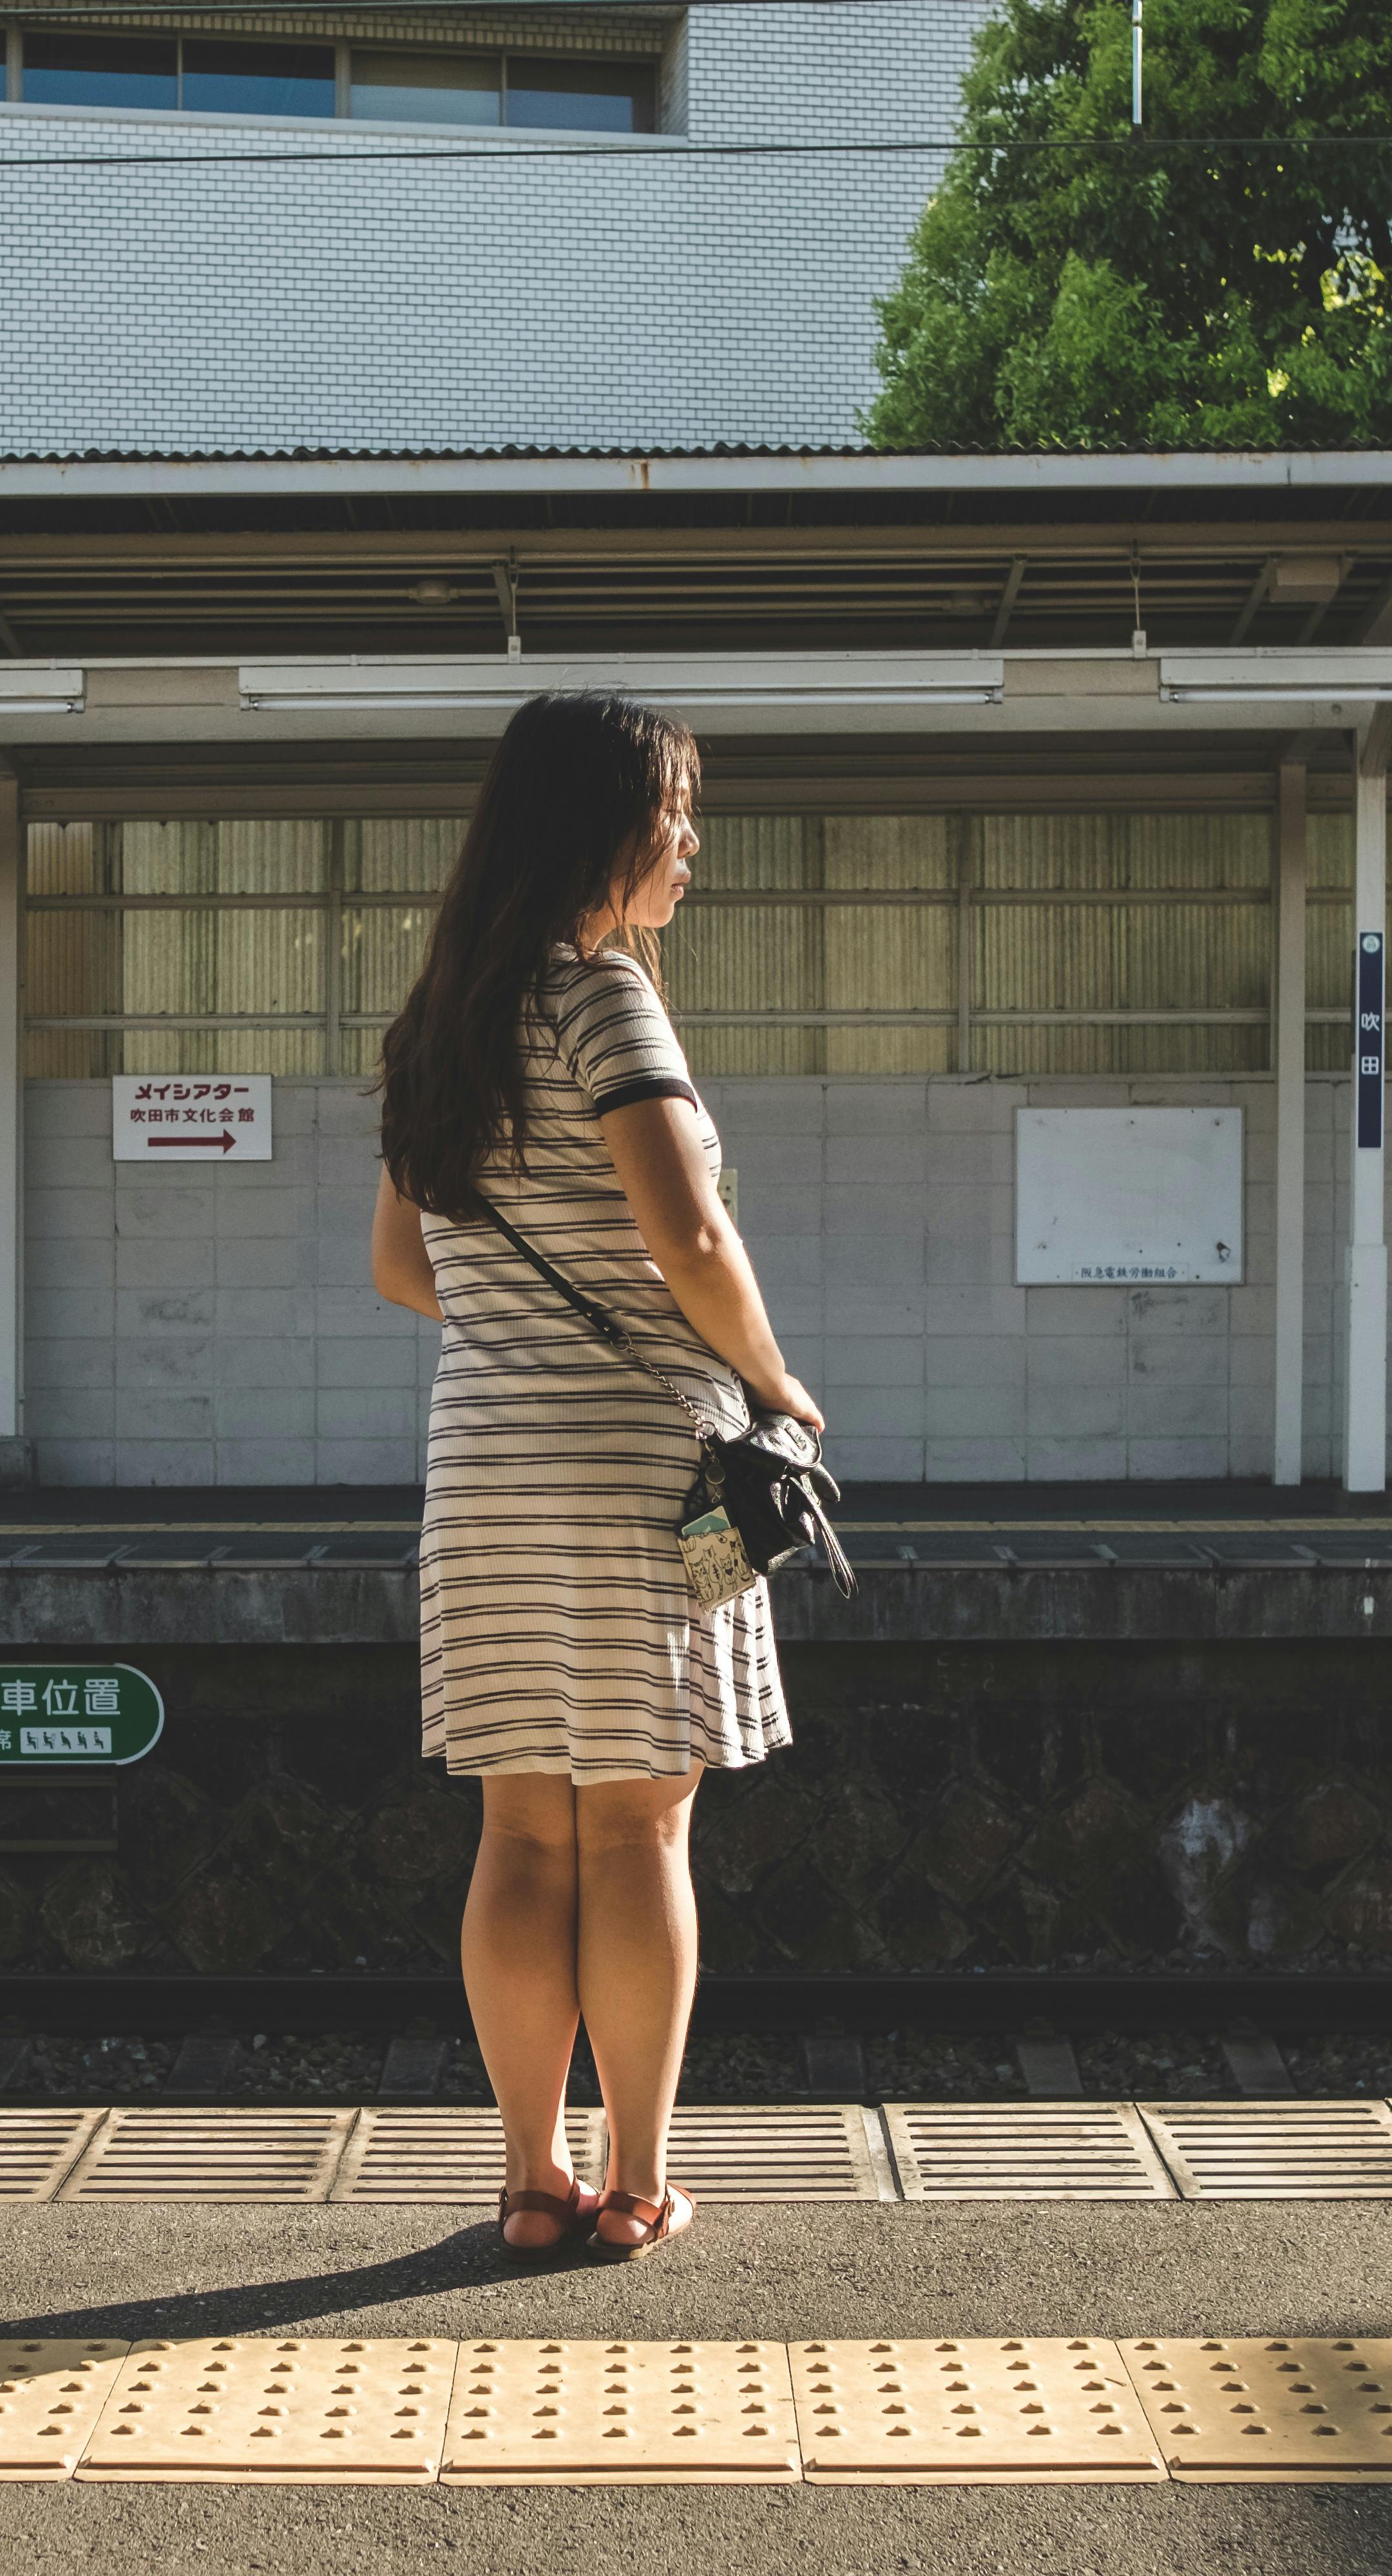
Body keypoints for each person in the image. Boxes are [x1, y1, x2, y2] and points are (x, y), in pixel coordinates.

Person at [367, 692, 824, 2261]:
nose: (691, 844)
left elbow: (398, 1264)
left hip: (481, 1464)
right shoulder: (607, 998)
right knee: (639, 1828)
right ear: (598, 831)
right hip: (654, 1472)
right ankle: (635, 2178)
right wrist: (775, 1382)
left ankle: (525, 2176)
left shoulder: (443, 1022)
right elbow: (690, 1238)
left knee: (520, 1831)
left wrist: (525, 1313)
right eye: (672, 816)